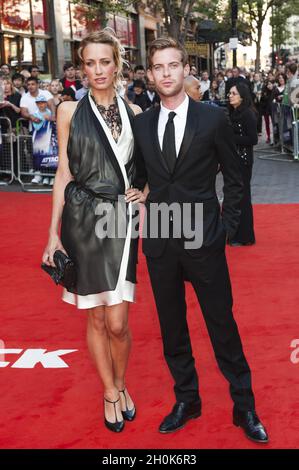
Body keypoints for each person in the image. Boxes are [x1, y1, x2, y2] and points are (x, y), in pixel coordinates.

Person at [133, 37, 268, 443]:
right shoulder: (141, 124)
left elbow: (235, 177)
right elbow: (141, 177)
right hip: (159, 239)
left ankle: (244, 405)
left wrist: (226, 226)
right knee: (172, 330)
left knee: (221, 326)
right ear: (150, 73)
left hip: (204, 238)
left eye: (174, 65)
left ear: (184, 69)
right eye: (159, 67)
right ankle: (187, 399)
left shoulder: (212, 119)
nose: (167, 73)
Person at [42, 29, 144, 433]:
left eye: (105, 61)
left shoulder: (135, 113)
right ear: (81, 68)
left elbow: (145, 171)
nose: (98, 70)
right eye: (90, 63)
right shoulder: (68, 111)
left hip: (121, 220)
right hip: (82, 221)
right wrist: (52, 234)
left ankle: (120, 383)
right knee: (97, 317)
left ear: (116, 64)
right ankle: (111, 390)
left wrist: (145, 192)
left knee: (118, 320)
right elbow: (63, 173)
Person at [227, 83, 258, 246]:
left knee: (243, 197)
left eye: (233, 93)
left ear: (242, 96)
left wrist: (230, 139)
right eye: (230, 93)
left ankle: (246, 236)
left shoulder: (247, 114)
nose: (230, 95)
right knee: (236, 198)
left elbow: (253, 139)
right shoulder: (234, 113)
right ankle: (235, 233)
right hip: (235, 160)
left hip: (244, 161)